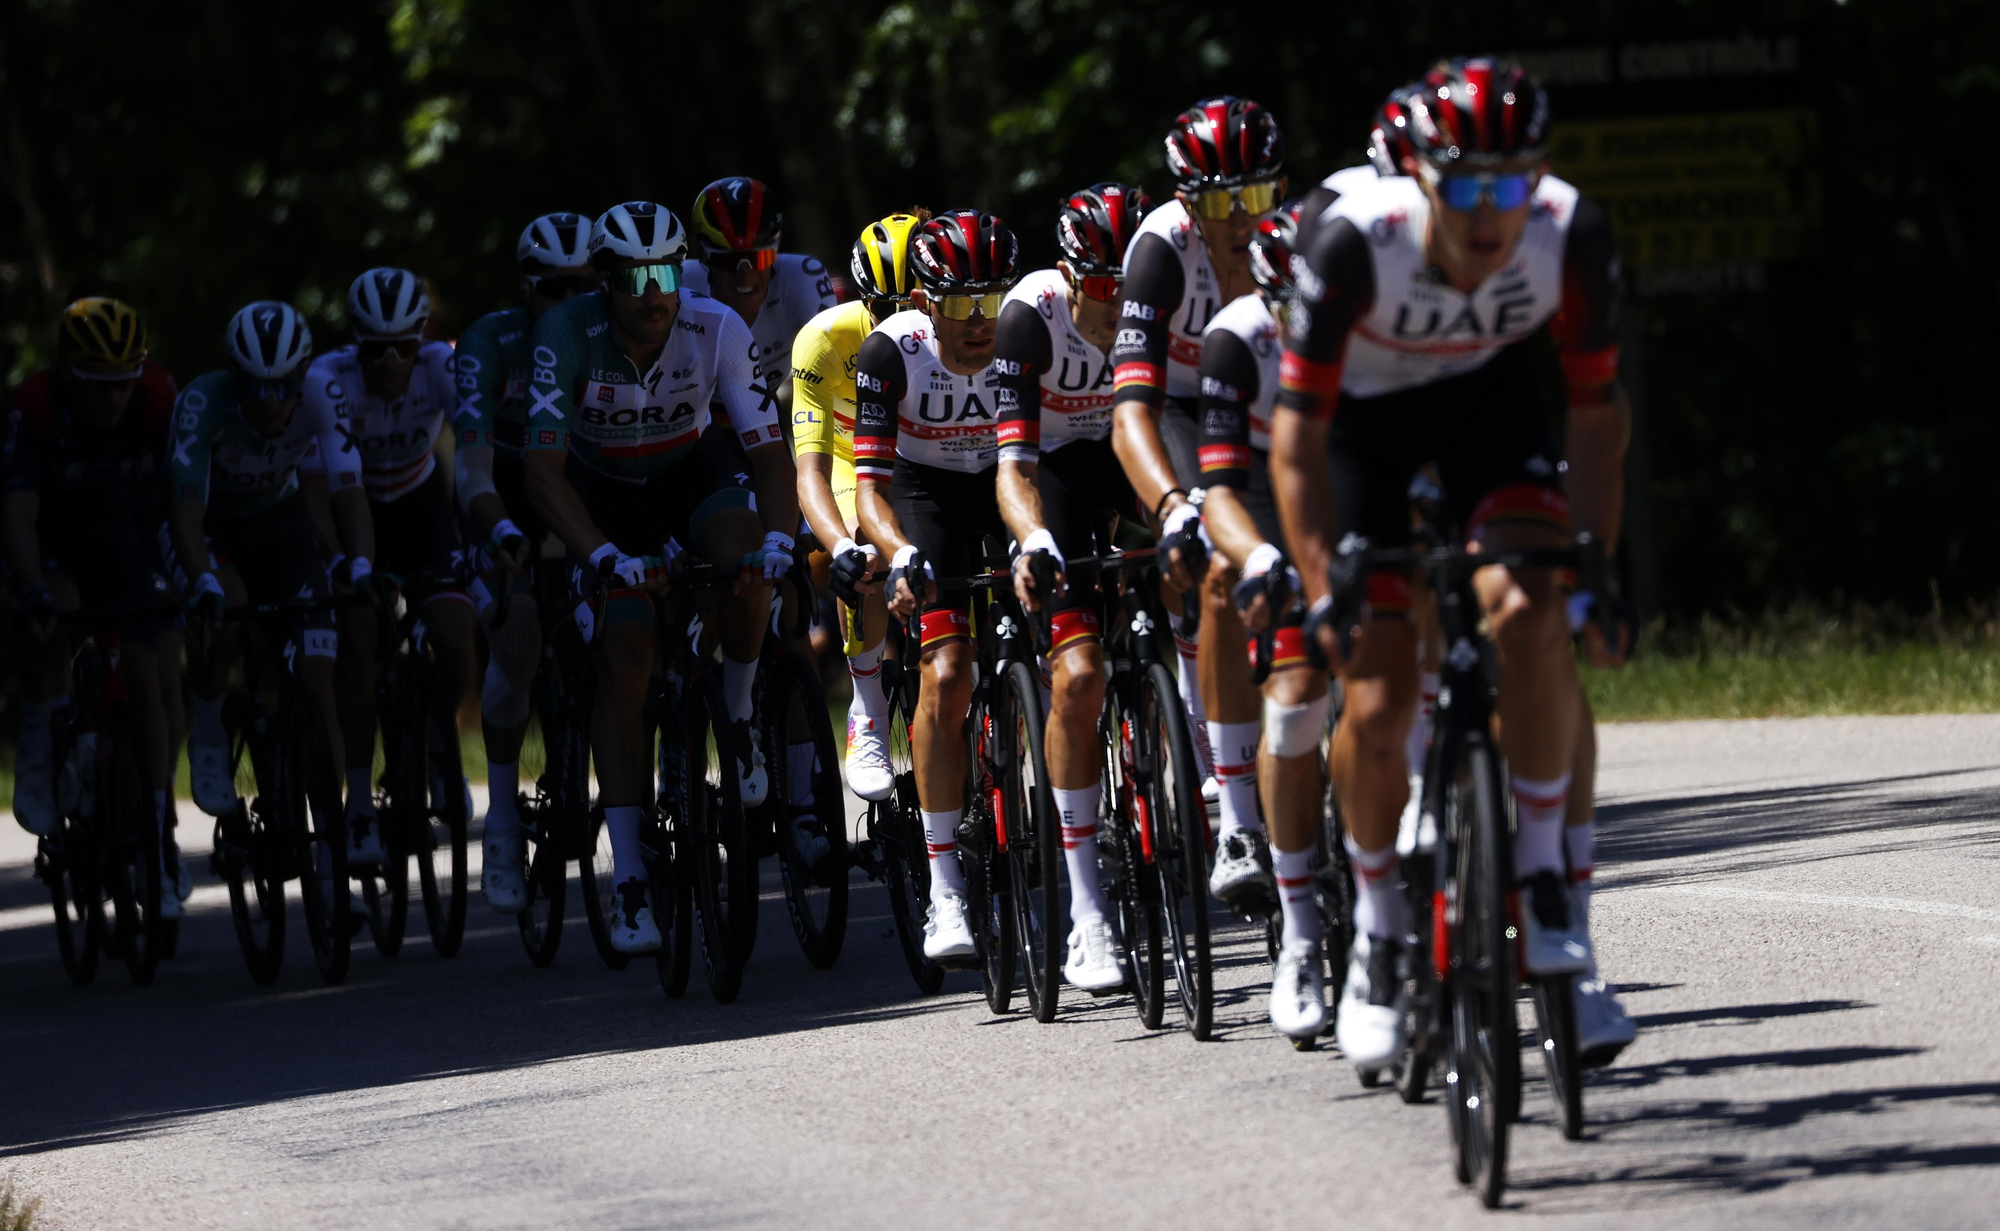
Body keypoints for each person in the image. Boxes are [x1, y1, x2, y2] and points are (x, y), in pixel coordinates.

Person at [1271, 57, 1635, 1072]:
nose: (1489, 214)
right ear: (1420, 178)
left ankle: (1546, 889)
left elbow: (1597, 420)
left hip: (1486, 401)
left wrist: (1594, 561)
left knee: (1528, 609)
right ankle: (1381, 935)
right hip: (1361, 432)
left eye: (1510, 185)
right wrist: (1319, 589)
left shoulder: (1568, 232)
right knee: (1379, 698)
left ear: (1540, 178)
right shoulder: (1354, 243)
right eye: (1467, 186)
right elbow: (1294, 441)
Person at [524, 201, 800, 954]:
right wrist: (603, 556)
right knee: (630, 650)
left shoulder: (716, 327)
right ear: (605, 280)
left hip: (689, 472)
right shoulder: (566, 333)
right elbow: (543, 472)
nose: (654, 294)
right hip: (601, 492)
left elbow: (767, 452)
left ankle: (736, 721)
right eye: (635, 278)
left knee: (745, 562)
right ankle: (631, 877)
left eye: (666, 275)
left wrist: (779, 538)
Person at [1108, 95, 1287, 910]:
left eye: (1257, 195)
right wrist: (1175, 505)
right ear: (1188, 202)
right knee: (1216, 563)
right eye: (1221, 202)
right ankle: (1242, 820)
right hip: (1182, 410)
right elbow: (1131, 415)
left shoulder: (1301, 240)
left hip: (1272, 406)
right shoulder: (1160, 252)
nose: (1243, 218)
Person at [991, 183, 1148, 991]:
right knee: (1079, 675)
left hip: (1126, 451)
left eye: (1129, 282)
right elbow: (1012, 465)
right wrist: (1037, 539)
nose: (1118, 301)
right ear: (1068, 274)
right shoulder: (1030, 314)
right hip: (1050, 468)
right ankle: (1087, 911)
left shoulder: (1161, 290)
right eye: (1102, 285)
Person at [853, 208, 1020, 963]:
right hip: (925, 491)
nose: (980, 320)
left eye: (991, 298)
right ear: (925, 304)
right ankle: (946, 886)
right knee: (947, 671)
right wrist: (897, 555)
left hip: (1010, 478)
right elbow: (869, 489)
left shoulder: (1023, 332)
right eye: (959, 303)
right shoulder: (890, 353)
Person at [1189, 200, 1333, 1039]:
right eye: (1286, 305)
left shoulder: (1377, 313)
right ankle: (1301, 933)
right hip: (1265, 492)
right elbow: (1221, 489)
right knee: (1294, 687)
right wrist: (1261, 560)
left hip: (1350, 471)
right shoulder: (1238, 337)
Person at [172, 301, 369, 904]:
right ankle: (207, 725)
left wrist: (358, 563)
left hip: (278, 526)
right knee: (224, 607)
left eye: (283, 386)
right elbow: (183, 508)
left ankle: (333, 853)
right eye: (256, 388)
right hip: (212, 528)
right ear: (234, 378)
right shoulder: (202, 402)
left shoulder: (321, 391)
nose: (271, 401)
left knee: (318, 673)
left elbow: (349, 488)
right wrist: (200, 577)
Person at [4, 297, 189, 914]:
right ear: (66, 375)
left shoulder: (160, 399)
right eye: (96, 387)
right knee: (54, 613)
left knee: (154, 668)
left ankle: (157, 833)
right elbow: (19, 515)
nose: (112, 401)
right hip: (50, 536)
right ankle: (40, 734)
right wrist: (30, 590)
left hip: (123, 532)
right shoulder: (35, 405)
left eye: (122, 385)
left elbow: (184, 502)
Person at [303, 268, 474, 870]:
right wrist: (355, 566)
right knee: (361, 636)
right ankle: (356, 801)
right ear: (356, 343)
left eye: (406, 343)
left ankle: (433, 741)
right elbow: (341, 483)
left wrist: (490, 526)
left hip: (420, 504)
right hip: (356, 506)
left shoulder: (441, 363)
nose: (392, 360)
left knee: (457, 635)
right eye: (377, 348)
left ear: (422, 336)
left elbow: (474, 449)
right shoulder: (328, 378)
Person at [453, 212, 598, 912]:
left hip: (575, 483)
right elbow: (471, 469)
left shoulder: (608, 330)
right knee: (517, 636)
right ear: (526, 290)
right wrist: (502, 529)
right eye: (553, 289)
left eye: (584, 286)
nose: (568, 302)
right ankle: (503, 816)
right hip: (504, 493)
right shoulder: (491, 342)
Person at [791, 211, 927, 806]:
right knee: (864, 552)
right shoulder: (824, 339)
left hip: (928, 456)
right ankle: (868, 710)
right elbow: (811, 470)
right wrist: (841, 547)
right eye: (882, 307)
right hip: (854, 458)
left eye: (913, 306)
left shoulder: (970, 325)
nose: (897, 324)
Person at [683, 176, 838, 429]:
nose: (745, 274)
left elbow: (838, 368)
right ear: (704, 257)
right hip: (690, 420)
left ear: (777, 246)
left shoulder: (801, 277)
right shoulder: (680, 284)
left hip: (765, 406)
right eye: (728, 261)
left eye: (760, 258)